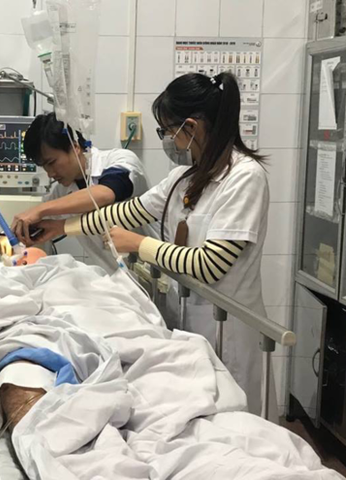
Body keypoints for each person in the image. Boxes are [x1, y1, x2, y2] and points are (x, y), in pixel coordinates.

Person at [34, 72, 274, 417]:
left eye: (166, 131)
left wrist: (139, 244)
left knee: (236, 424)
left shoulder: (244, 177)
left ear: (191, 127)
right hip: (191, 323)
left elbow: (210, 264)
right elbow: (129, 211)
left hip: (230, 332)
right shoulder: (184, 178)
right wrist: (61, 227)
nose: (167, 141)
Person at [11, 112, 157, 273]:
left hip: (155, 274)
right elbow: (33, 228)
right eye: (44, 167)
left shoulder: (120, 160)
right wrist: (13, 240)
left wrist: (40, 209)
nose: (50, 173)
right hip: (114, 281)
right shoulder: (62, 192)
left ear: (75, 147)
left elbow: (105, 193)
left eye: (52, 162)